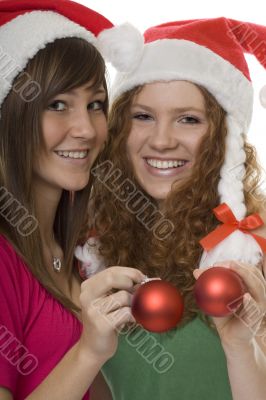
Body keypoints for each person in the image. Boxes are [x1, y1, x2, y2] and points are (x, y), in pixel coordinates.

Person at [77, 18, 266, 400]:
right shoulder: (90, 252)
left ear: (224, 136)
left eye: (189, 119)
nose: (161, 140)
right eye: (143, 116)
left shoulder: (254, 249)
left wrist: (242, 346)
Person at [0, 1, 145, 399]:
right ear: (9, 115)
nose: (85, 129)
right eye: (57, 105)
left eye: (95, 104)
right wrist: (88, 352)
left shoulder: (82, 255)